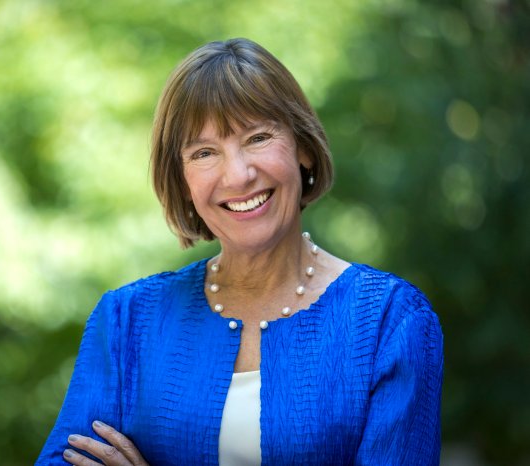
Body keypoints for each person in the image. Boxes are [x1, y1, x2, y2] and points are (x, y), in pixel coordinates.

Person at [35, 38, 443, 466]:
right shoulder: (126, 322)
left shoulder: (389, 323)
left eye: (258, 137)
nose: (238, 174)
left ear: (302, 148)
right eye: (205, 152)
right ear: (184, 181)